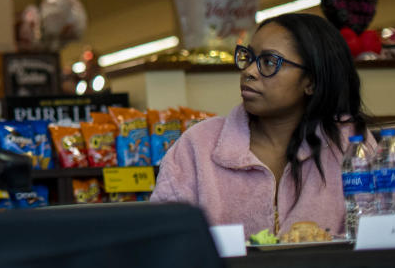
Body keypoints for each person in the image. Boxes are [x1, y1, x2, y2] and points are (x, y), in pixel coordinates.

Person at [152, 13, 372, 239]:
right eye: (248, 57)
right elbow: (162, 241)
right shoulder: (198, 146)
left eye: (268, 62)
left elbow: (379, 235)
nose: (249, 71)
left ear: (311, 81)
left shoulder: (349, 143)